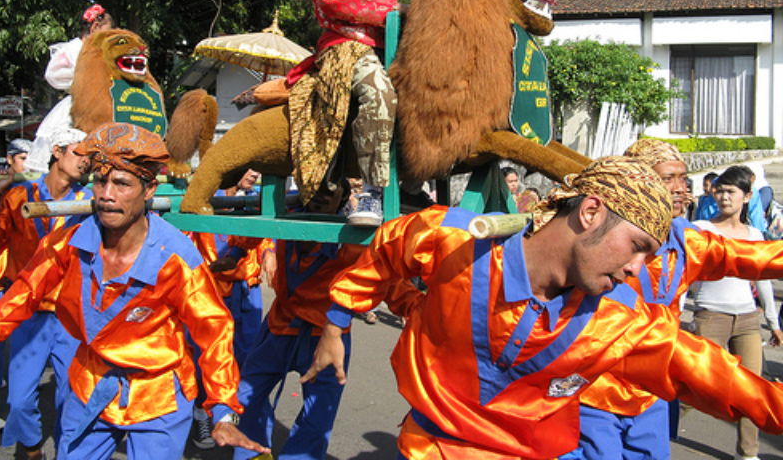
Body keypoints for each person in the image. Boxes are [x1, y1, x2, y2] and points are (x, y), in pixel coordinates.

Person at [302, 156, 783, 459]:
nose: (639, 269)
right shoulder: (455, 242)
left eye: (650, 255)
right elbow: (390, 243)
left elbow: (719, 377)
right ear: (590, 211)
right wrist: (337, 320)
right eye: (636, 246)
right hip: (433, 446)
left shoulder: (619, 323)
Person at [0, 123, 268, 460]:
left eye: (121, 184)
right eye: (101, 181)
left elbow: (215, 330)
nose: (106, 194)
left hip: (158, 397)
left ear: (148, 190)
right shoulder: (66, 244)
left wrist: (222, 410)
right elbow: (16, 300)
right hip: (89, 384)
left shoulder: (176, 258)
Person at [573, 139, 783, 460]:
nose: (678, 188)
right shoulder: (602, 243)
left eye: (682, 178)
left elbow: (754, 256)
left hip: (654, 394)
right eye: (666, 178)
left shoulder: (685, 240)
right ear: (639, 184)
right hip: (597, 393)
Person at [235, 181, 423, 460]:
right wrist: (262, 249)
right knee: (247, 396)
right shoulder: (284, 214)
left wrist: (421, 308)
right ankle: (252, 453)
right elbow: (250, 233)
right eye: (317, 185)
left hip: (326, 337)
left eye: (332, 186)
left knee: (316, 421)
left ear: (343, 197)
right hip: (279, 326)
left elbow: (385, 279)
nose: (323, 193)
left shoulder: (353, 238)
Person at [290, 0, 403, 226]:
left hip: (380, 49)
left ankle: (412, 181)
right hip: (346, 46)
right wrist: (392, 9)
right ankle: (369, 193)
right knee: (379, 92)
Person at [0, 127, 91, 460]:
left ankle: (68, 453)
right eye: (79, 153)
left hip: (70, 314)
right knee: (19, 400)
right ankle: (31, 449)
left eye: (90, 156)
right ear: (57, 151)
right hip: (27, 314)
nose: (85, 162)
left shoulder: (88, 201)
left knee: (72, 399)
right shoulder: (18, 196)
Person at [692, 164, 783, 460]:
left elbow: (763, 281)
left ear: (747, 196)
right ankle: (660, 435)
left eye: (731, 191)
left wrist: (772, 322)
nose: (723, 197)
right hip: (711, 317)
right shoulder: (703, 230)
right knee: (696, 386)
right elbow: (686, 275)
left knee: (751, 388)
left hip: (746, 319)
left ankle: (749, 453)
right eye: (719, 191)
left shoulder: (755, 234)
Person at [186, 228, 273, 450]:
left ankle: (241, 421)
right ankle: (202, 413)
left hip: (245, 289)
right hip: (208, 289)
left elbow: (264, 232)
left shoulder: (253, 202)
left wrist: (268, 251)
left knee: (249, 361)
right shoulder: (200, 204)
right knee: (204, 360)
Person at [25, 4, 115, 173]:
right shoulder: (75, 50)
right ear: (96, 27)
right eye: (108, 31)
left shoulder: (101, 53)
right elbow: (53, 75)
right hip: (76, 108)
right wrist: (83, 81)